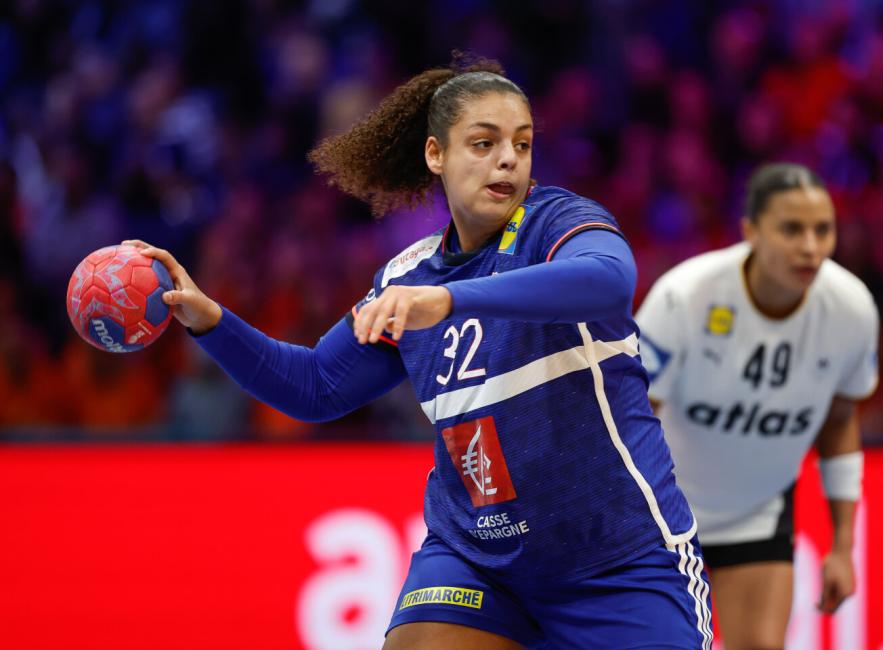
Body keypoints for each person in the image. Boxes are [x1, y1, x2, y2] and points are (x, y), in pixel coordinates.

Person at [127, 56, 713, 649]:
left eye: (522, 144)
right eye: (483, 143)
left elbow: (609, 281)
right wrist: (211, 321)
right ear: (436, 155)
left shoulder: (558, 222)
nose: (507, 159)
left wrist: (451, 300)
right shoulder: (408, 278)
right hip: (480, 561)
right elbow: (315, 387)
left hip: (616, 557)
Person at [634, 162, 878, 650]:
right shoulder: (686, 296)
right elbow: (628, 416)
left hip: (757, 513)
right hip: (660, 514)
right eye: (792, 229)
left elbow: (839, 423)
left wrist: (843, 546)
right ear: (751, 232)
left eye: (823, 230)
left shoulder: (852, 310)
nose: (810, 247)